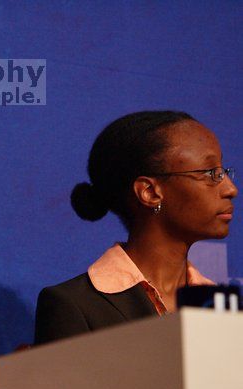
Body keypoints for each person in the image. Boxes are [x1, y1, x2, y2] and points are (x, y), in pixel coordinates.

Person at [35, 110, 237, 345]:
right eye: (211, 173)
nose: (230, 189)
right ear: (150, 192)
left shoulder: (220, 307)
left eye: (223, 172)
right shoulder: (75, 305)